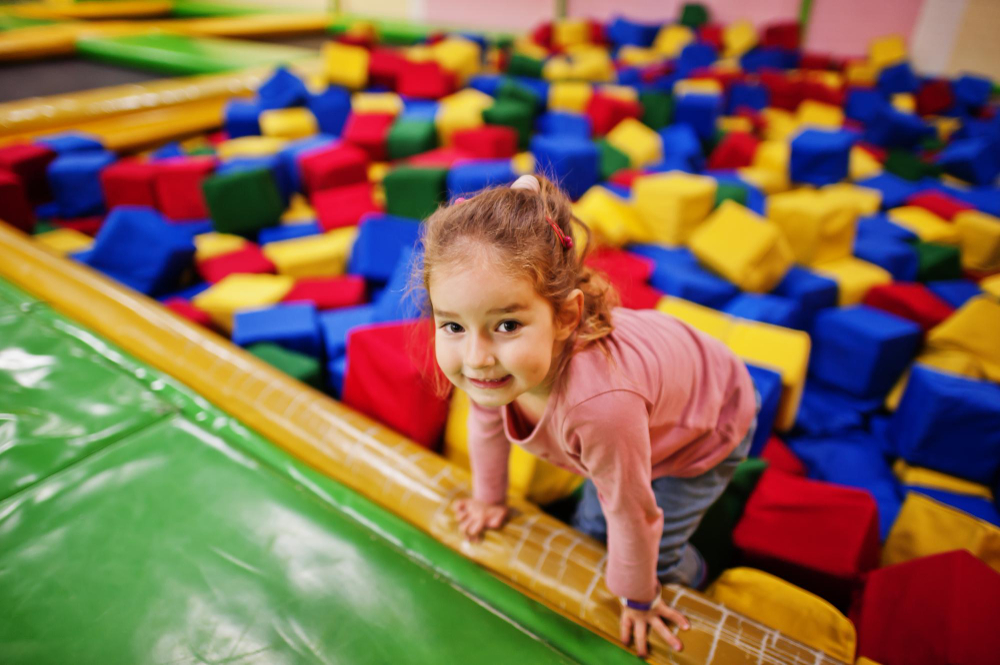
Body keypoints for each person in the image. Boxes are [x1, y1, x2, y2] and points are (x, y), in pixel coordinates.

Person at [417, 173, 759, 658]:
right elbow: (485, 423)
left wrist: (641, 599)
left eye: (507, 325)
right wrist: (489, 498)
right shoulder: (493, 364)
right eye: (451, 325)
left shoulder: (599, 408)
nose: (475, 356)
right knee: (595, 524)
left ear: (566, 317)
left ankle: (695, 570)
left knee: (628, 548)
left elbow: (633, 511)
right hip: (653, 396)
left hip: (710, 421)